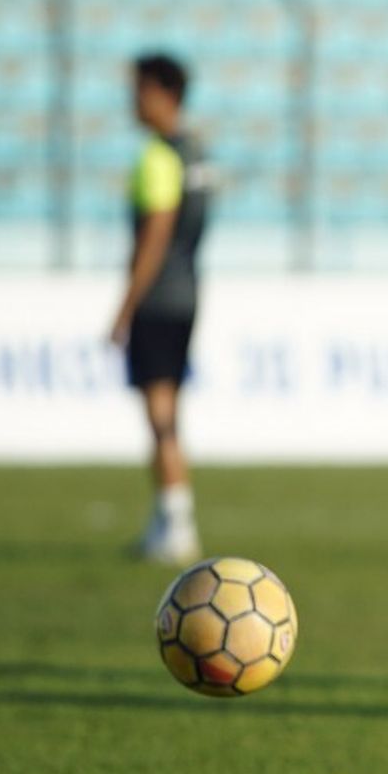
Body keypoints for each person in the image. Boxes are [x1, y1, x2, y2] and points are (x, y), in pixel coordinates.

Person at [107, 52, 212, 565]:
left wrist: (125, 305)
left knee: (159, 411)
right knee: (168, 409)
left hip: (158, 298)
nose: (132, 101)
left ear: (162, 93)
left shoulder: (157, 158)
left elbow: (156, 235)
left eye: (138, 90)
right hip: (189, 291)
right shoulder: (196, 152)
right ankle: (169, 516)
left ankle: (175, 520)